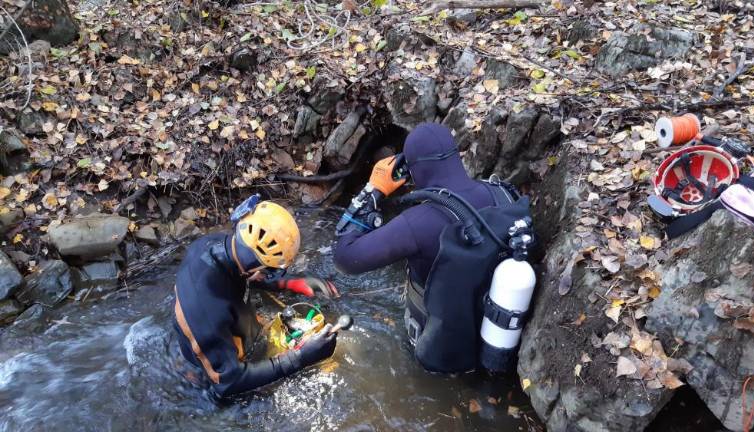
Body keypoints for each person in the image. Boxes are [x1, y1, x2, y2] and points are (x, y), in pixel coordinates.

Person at [333, 123, 533, 373]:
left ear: (414, 169)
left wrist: (373, 190)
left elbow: (345, 256)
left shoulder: (418, 222)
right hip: (494, 338)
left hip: (439, 351)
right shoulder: (503, 194)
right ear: (455, 156)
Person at [174, 199, 340, 399]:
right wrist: (298, 359)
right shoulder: (207, 309)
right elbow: (228, 384)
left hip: (236, 332)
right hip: (214, 378)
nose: (270, 276)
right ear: (254, 264)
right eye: (270, 272)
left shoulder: (222, 245)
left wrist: (289, 283)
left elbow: (251, 274)